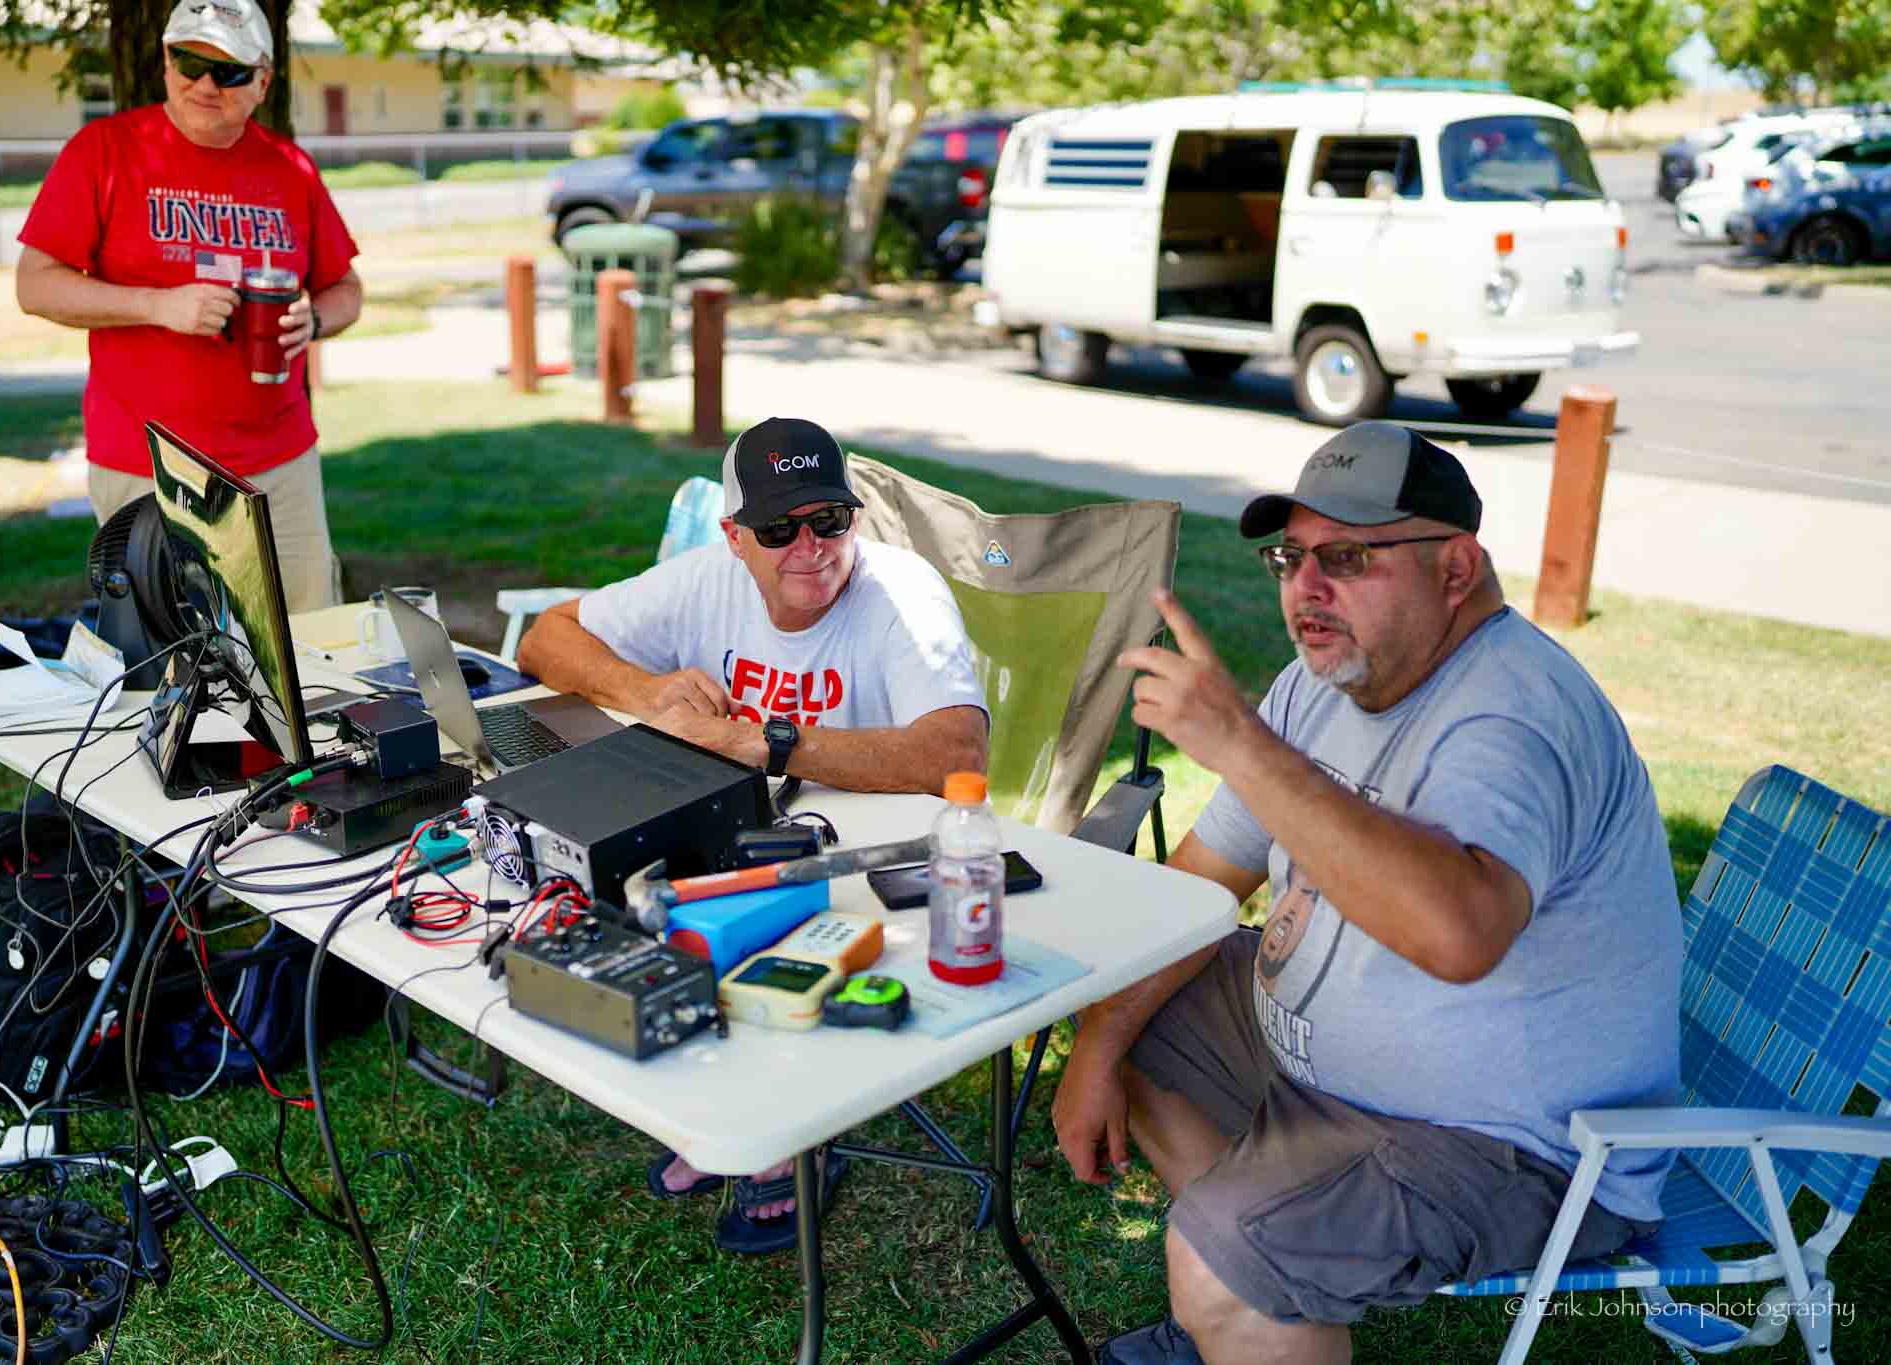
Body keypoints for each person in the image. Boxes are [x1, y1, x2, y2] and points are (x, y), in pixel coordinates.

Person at [1053, 421, 1683, 1364]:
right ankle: (1259, 1302)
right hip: (1330, 1081)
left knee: (1225, 1261)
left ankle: (1239, 1283)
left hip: (1514, 1144)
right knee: (1135, 991)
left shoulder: (1513, 715)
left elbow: (1460, 934)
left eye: (1346, 557)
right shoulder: (1325, 683)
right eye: (1291, 557)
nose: (1306, 587)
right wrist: (1098, 1043)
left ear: (1455, 569)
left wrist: (1243, 746)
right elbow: (1197, 889)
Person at [517, 414, 991, 1254]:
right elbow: (544, 637)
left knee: (735, 913)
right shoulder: (707, 577)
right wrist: (648, 690)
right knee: (623, 875)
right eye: (779, 528)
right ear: (735, 537)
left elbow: (957, 750)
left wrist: (765, 742)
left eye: (829, 519)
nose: (811, 547)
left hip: (871, 869)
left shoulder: (902, 593)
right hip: (737, 842)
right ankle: (724, 1102)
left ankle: (784, 1131)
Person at [15, 0, 362, 613]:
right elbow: (35, 286)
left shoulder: (290, 168)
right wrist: (157, 305)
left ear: (263, 82)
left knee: (306, 641)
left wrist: (314, 320)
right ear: (166, 61)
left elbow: (346, 290)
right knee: (170, 650)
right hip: (147, 463)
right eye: (189, 62)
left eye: (227, 71)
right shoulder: (105, 150)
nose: (204, 84)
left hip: (279, 464)